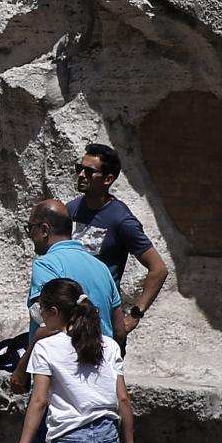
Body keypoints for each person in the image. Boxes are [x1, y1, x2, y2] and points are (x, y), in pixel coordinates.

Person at [7, 199, 134, 443]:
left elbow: (45, 330)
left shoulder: (46, 265)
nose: (30, 236)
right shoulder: (100, 268)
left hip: (63, 396)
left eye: (30, 228)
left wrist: (21, 370)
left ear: (44, 230)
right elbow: (120, 328)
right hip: (103, 395)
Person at [69, 143, 169, 339]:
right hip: (68, 318)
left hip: (101, 323)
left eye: (89, 172)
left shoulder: (121, 219)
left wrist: (135, 315)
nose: (81, 175)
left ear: (108, 179)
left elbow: (159, 269)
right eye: (79, 169)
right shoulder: (71, 210)